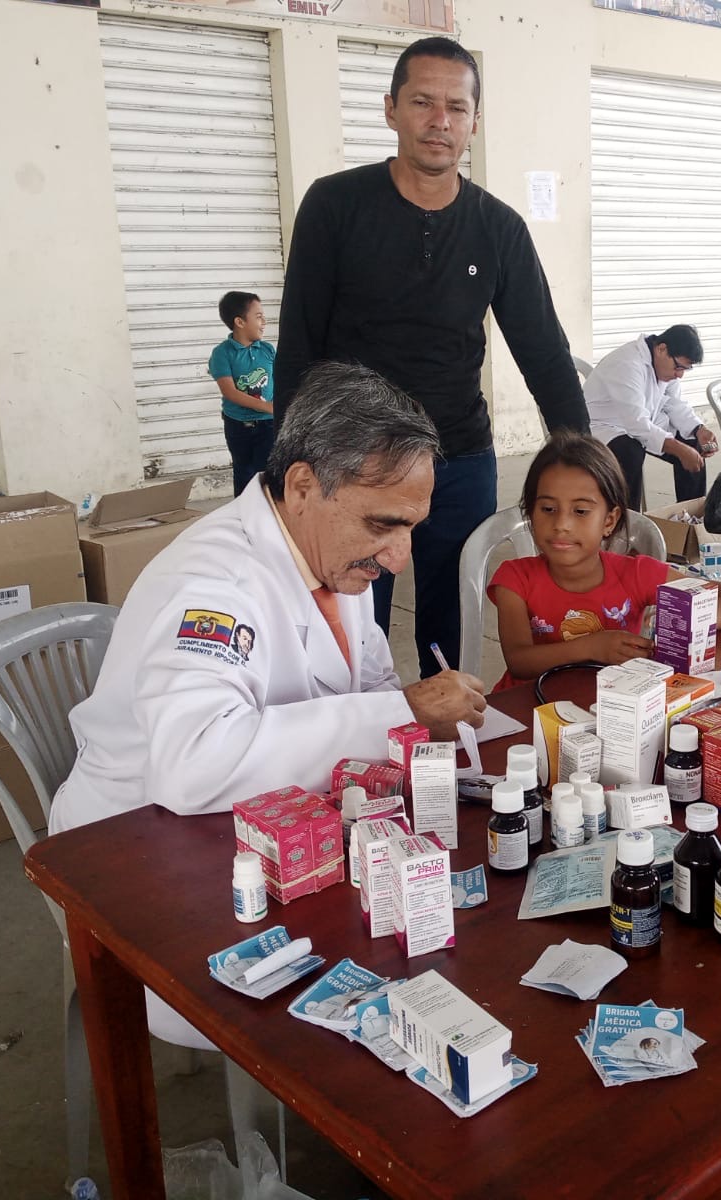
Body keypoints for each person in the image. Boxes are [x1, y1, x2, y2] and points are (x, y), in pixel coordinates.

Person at [49, 362, 487, 1049]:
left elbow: (368, 682)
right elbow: (195, 767)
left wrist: (416, 728)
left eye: (411, 528)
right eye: (384, 525)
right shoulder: (214, 584)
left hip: (269, 828)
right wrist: (401, 711)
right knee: (347, 1017)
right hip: (142, 855)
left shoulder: (331, 552)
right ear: (304, 486)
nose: (400, 558)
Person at [273, 36, 589, 680]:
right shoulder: (335, 206)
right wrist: (290, 468)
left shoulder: (498, 228)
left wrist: (584, 461)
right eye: (422, 102)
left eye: (456, 106)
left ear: (475, 120)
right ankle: (357, 730)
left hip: (459, 458)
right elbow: (298, 344)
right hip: (353, 462)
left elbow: (544, 351)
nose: (439, 120)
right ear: (391, 108)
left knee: (452, 622)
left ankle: (446, 735)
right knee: (348, 618)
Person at [488, 432, 721, 689]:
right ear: (531, 514)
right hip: (526, 710)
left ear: (609, 521)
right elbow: (519, 661)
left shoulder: (637, 574)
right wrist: (591, 647)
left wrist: (683, 624)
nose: (561, 524)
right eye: (548, 508)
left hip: (613, 706)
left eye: (580, 511)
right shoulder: (514, 579)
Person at [585, 325, 721, 511]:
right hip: (604, 426)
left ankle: (690, 519)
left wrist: (699, 429)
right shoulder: (627, 364)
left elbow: (675, 404)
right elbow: (636, 423)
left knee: (693, 445)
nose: (680, 375)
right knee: (631, 452)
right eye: (678, 367)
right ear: (661, 349)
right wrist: (678, 449)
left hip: (643, 420)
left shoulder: (665, 368)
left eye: (685, 369)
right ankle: (629, 521)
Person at [209, 290, 277, 496]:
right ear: (240, 322)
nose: (264, 322)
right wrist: (268, 406)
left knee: (268, 476)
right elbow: (230, 392)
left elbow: (281, 381)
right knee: (243, 474)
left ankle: (268, 512)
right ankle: (243, 512)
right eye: (258, 317)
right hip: (238, 426)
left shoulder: (267, 350)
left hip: (268, 425)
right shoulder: (222, 353)